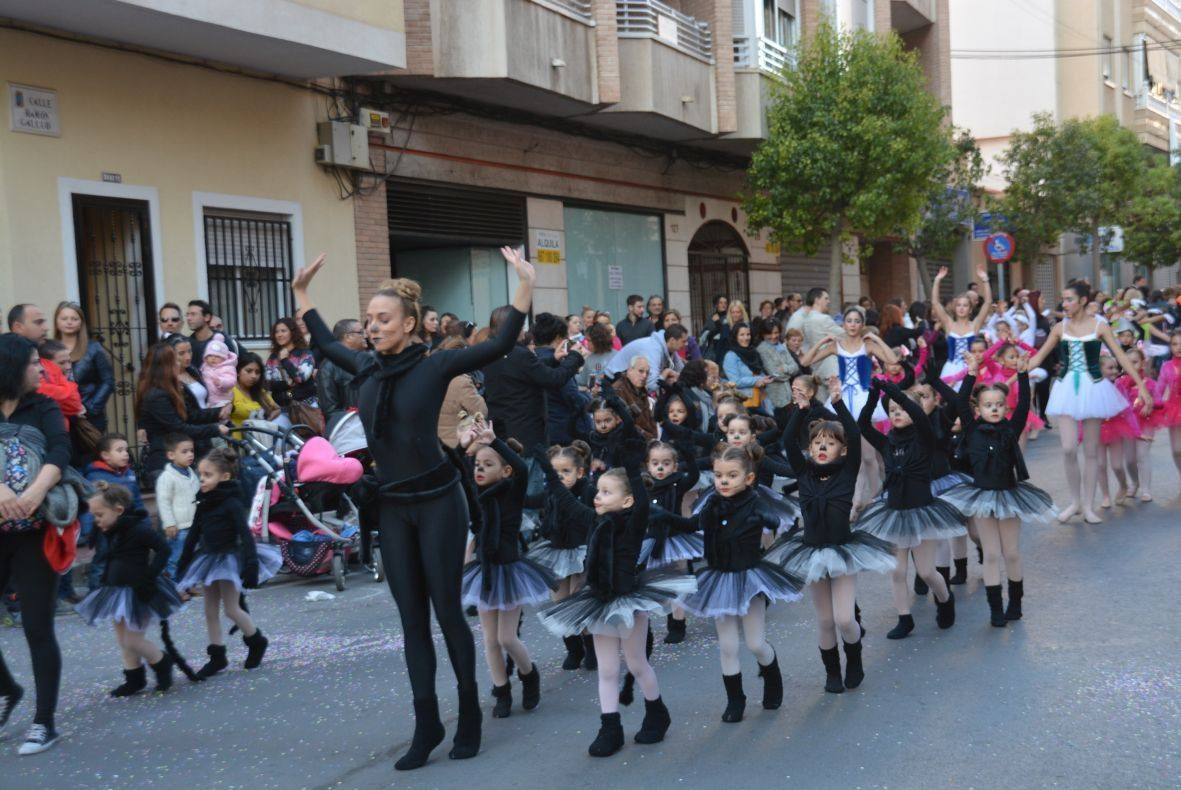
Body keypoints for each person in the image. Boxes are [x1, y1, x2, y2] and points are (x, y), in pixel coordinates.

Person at [292, 246, 537, 770]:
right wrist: (301, 294)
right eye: (369, 320)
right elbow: (326, 341)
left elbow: (499, 343)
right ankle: (426, 725)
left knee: (447, 613)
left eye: (383, 320)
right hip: (395, 506)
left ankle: (468, 714)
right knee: (410, 622)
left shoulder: (437, 365)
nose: (372, 327)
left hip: (439, 503)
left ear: (408, 325)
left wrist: (524, 284)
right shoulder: (364, 368)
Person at [537, 399, 694, 758]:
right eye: (598, 491)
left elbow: (633, 472)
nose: (597, 497)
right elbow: (565, 497)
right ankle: (610, 727)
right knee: (606, 669)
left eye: (606, 493)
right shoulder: (594, 519)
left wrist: (621, 415)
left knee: (636, 662)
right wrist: (546, 469)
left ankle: (657, 712)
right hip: (597, 600)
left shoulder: (635, 519)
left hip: (627, 599)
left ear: (627, 502)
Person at [764, 382, 895, 695]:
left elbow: (850, 431)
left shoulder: (846, 472)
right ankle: (832, 672)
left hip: (843, 550)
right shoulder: (804, 472)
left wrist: (838, 404)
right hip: (811, 550)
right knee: (825, 621)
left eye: (829, 443)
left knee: (845, 618)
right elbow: (787, 441)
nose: (822, 447)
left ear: (843, 449)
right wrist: (800, 410)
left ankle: (855, 658)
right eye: (817, 443)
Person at [681, 444, 801, 722]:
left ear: (748, 478)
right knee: (728, 645)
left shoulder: (756, 502)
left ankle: (772, 676)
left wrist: (767, 519)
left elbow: (772, 520)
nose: (723, 481)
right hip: (718, 578)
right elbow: (693, 525)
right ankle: (736, 700)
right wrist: (666, 520)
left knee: (756, 643)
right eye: (718, 475)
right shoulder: (711, 503)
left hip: (749, 578)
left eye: (731, 475)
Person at [942, 357, 1056, 626]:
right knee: (991, 553)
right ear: (978, 408)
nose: (994, 409)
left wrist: (1023, 374)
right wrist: (971, 374)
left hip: (1009, 495)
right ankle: (995, 608)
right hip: (981, 496)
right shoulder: (971, 429)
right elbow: (960, 402)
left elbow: (1025, 404)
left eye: (999, 405)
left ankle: (1015, 602)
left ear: (1006, 407)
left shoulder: (1011, 428)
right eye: (988, 405)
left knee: (1012, 552)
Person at [1027, 282, 1153, 524]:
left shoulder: (1099, 325)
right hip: (1065, 389)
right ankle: (1074, 502)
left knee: (1092, 452)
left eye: (1069, 299)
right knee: (1068, 448)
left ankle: (1087, 506)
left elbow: (1121, 358)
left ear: (1083, 301)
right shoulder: (1059, 327)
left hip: (1094, 388)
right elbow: (1038, 358)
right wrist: (1017, 371)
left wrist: (1143, 387)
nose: (1064, 304)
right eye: (1063, 299)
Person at [458, 421, 555, 719]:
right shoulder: (478, 494)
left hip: (510, 572)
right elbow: (461, 473)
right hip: (484, 570)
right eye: (478, 464)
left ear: (505, 471)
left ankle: (529, 674)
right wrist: (464, 449)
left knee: (506, 638)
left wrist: (494, 441)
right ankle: (502, 691)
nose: (480, 469)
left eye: (488, 465)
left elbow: (522, 469)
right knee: (489, 640)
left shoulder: (512, 491)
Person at [0, 333, 67, 755]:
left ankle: (44, 723)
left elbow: (60, 452)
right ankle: (8, 691)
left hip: (35, 532)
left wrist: (34, 493)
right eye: (32, 363)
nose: (40, 368)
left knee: (37, 627)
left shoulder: (44, 406)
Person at [855, 380, 963, 639]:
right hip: (893, 513)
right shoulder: (887, 443)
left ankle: (945, 599)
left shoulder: (924, 437)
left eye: (901, 409)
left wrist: (895, 393)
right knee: (897, 570)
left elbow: (917, 415)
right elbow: (862, 425)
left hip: (921, 511)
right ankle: (904, 617)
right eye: (891, 410)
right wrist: (873, 395)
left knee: (926, 571)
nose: (896, 413)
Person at [176, 448, 282, 677]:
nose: (202, 479)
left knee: (232, 609)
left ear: (224, 477)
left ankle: (256, 641)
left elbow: (245, 535)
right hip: (208, 558)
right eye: (200, 475)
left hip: (229, 559)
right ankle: (217, 656)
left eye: (208, 475)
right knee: (209, 610)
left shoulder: (232, 503)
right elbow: (194, 534)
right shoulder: (203, 503)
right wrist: (182, 566)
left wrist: (251, 564)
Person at [74, 483, 187, 696]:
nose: (96, 520)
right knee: (122, 639)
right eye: (94, 516)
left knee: (132, 639)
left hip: (139, 589)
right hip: (115, 589)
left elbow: (163, 549)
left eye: (99, 515)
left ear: (118, 510)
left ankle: (162, 661)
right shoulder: (110, 530)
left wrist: (150, 576)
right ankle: (134, 677)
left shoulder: (139, 529)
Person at [527, 441, 597, 668]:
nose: (560, 477)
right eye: (555, 472)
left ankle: (591, 648)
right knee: (560, 602)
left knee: (578, 598)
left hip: (581, 551)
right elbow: (536, 506)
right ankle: (573, 648)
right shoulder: (551, 493)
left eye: (565, 472)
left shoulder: (587, 491)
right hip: (556, 551)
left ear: (580, 471)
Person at [483, 307, 583, 449]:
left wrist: (553, 359)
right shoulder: (520, 354)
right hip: (526, 433)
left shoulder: (490, 352)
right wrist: (574, 357)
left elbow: (523, 373)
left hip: (502, 430)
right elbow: (554, 379)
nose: (525, 330)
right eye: (521, 326)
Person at [136, 343, 229, 480]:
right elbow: (178, 427)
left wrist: (219, 412)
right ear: (165, 367)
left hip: (178, 457)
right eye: (175, 361)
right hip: (165, 461)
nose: (178, 365)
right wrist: (215, 429)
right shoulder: (156, 395)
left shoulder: (170, 388)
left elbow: (190, 414)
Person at [53, 302, 114, 431]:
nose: (69, 322)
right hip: (59, 415)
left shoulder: (94, 348)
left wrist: (91, 407)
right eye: (64, 318)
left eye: (74, 319)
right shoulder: (48, 349)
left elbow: (108, 381)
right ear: (56, 322)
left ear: (81, 323)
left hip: (88, 416)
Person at [533, 313, 591, 445]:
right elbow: (572, 396)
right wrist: (588, 398)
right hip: (565, 431)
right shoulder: (557, 362)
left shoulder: (531, 360)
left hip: (541, 430)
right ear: (559, 337)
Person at [930, 266, 993, 384]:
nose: (961, 308)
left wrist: (985, 280)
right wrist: (937, 280)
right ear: (955, 308)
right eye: (958, 305)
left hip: (971, 369)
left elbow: (988, 303)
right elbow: (935, 303)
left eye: (965, 305)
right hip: (950, 369)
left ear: (970, 309)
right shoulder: (949, 324)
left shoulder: (975, 325)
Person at [155, 434, 199, 579]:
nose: (190, 454)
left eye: (191, 451)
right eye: (185, 452)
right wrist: (169, 523)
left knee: (191, 557)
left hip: (193, 524)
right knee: (176, 558)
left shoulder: (192, 474)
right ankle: (175, 586)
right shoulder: (167, 477)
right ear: (171, 455)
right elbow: (164, 502)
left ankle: (187, 584)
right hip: (179, 527)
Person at [437, 338, 489, 449]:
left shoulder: (432, 378)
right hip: (457, 444)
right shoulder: (461, 382)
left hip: (437, 445)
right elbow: (481, 411)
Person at [318, 318, 368, 432]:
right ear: (348, 337)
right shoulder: (329, 366)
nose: (365, 336)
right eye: (361, 332)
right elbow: (330, 410)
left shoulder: (367, 360)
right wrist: (354, 421)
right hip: (349, 434)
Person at [264, 317, 319, 422]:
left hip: (307, 407)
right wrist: (287, 384)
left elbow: (301, 378)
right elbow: (267, 383)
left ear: (292, 332)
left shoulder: (305, 354)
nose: (279, 334)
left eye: (283, 331)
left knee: (309, 437)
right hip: (284, 409)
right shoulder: (273, 357)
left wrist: (285, 360)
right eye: (276, 332)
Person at [604, 324, 688, 391]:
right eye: (683, 341)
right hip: (614, 379)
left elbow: (683, 373)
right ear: (672, 340)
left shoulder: (669, 347)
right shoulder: (654, 349)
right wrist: (665, 374)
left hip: (627, 379)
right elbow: (651, 386)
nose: (686, 344)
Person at [786, 288, 841, 388]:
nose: (828, 301)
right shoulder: (823, 319)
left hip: (816, 369)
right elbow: (845, 336)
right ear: (817, 300)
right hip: (831, 368)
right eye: (826, 298)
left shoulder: (806, 319)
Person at [722, 322, 772, 402]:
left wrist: (764, 379)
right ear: (735, 337)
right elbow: (735, 381)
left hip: (761, 397)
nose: (746, 338)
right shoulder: (731, 356)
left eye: (748, 334)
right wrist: (757, 380)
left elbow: (760, 370)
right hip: (744, 400)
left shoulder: (753, 352)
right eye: (742, 335)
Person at [230, 353, 282, 430]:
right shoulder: (230, 392)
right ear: (238, 372)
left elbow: (277, 409)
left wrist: (267, 422)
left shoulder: (261, 392)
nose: (254, 376)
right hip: (237, 440)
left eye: (257, 372)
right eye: (249, 371)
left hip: (261, 439)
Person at [756, 320, 798, 414]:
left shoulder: (780, 345)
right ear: (763, 334)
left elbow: (795, 367)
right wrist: (788, 372)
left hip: (788, 395)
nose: (773, 336)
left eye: (776, 332)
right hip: (775, 398)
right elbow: (776, 375)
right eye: (769, 333)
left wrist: (785, 368)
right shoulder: (762, 349)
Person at [611, 356, 658, 440]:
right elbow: (623, 422)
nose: (644, 376)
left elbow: (650, 417)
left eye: (647, 373)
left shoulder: (641, 389)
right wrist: (649, 438)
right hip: (632, 441)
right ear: (629, 370)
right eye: (641, 371)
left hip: (647, 438)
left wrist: (654, 437)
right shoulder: (618, 390)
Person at [166, 335, 209, 409]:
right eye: (181, 353)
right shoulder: (168, 378)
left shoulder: (193, 371)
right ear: (170, 355)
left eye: (189, 351)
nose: (188, 357)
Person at [576, 322, 617, 392]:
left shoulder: (616, 356)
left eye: (588, 340)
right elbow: (583, 380)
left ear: (598, 340)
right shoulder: (589, 358)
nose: (586, 343)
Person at [199, 339, 238, 409]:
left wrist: (222, 382)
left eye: (217, 356)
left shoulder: (227, 368)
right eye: (210, 355)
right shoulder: (204, 366)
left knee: (221, 414)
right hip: (208, 399)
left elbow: (232, 380)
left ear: (224, 358)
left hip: (221, 399)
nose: (213, 358)